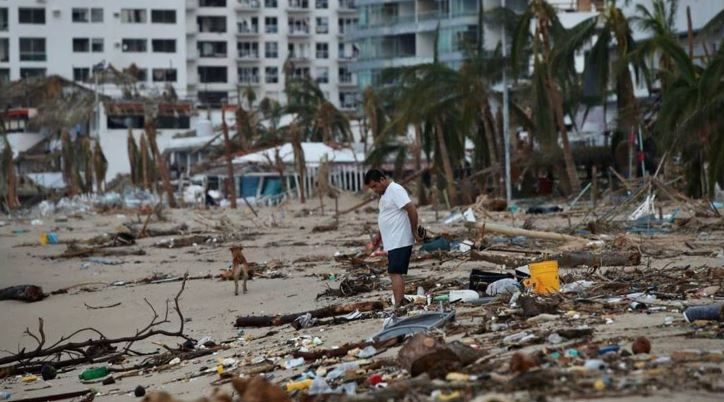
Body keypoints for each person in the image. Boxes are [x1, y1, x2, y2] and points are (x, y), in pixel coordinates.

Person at [364, 169, 420, 311]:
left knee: (395, 272)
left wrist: (414, 230)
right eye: (371, 188)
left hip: (400, 238)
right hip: (393, 240)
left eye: (374, 186)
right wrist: (379, 236)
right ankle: (399, 303)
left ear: (382, 180)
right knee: (394, 272)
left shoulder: (395, 190)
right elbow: (387, 217)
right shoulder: (385, 195)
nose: (374, 190)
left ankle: (399, 305)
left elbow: (411, 208)